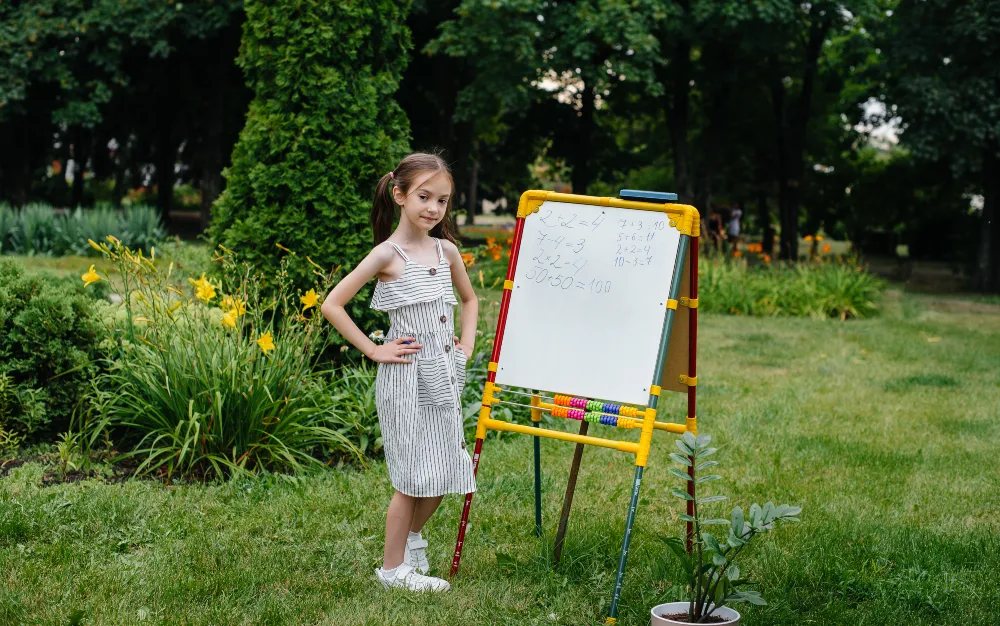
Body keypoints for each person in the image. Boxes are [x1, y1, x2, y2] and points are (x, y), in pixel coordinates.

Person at [320, 153, 478, 593]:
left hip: (444, 375)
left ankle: (409, 541)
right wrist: (374, 349)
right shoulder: (385, 256)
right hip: (406, 380)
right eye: (424, 197)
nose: (433, 208)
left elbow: (469, 300)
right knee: (411, 476)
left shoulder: (446, 251)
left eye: (442, 201)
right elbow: (332, 304)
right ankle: (392, 571)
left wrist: (464, 345)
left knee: (445, 470)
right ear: (400, 194)